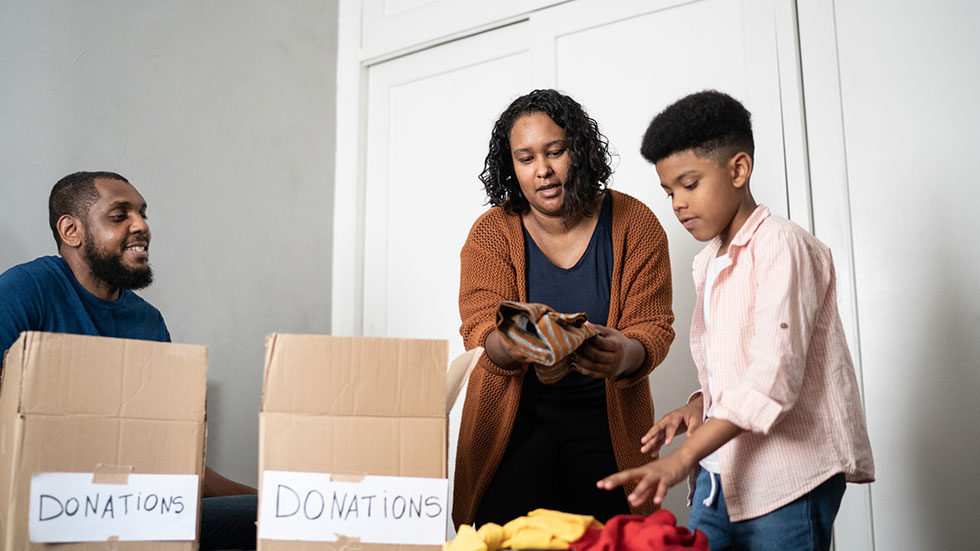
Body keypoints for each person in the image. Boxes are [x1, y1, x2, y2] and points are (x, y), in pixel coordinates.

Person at [598, 90, 874, 551]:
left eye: (690, 184)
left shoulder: (782, 246)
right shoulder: (707, 263)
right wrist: (697, 406)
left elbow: (772, 378)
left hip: (789, 481)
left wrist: (682, 457)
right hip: (719, 477)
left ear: (739, 169)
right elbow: (735, 364)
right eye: (669, 192)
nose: (678, 205)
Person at [0, 171, 258, 550]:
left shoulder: (147, 321)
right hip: (41, 506)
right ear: (72, 230)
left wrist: (276, 502)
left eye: (142, 213)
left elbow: (173, 457)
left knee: (264, 518)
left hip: (135, 506)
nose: (141, 226)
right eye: (119, 216)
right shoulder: (26, 290)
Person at [454, 89, 675, 528]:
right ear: (510, 167)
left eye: (555, 151)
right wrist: (519, 338)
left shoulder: (635, 223)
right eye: (526, 158)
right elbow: (479, 332)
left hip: (607, 428)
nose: (543, 170)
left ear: (580, 148)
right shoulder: (492, 233)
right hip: (513, 427)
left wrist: (625, 353)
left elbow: (653, 326)